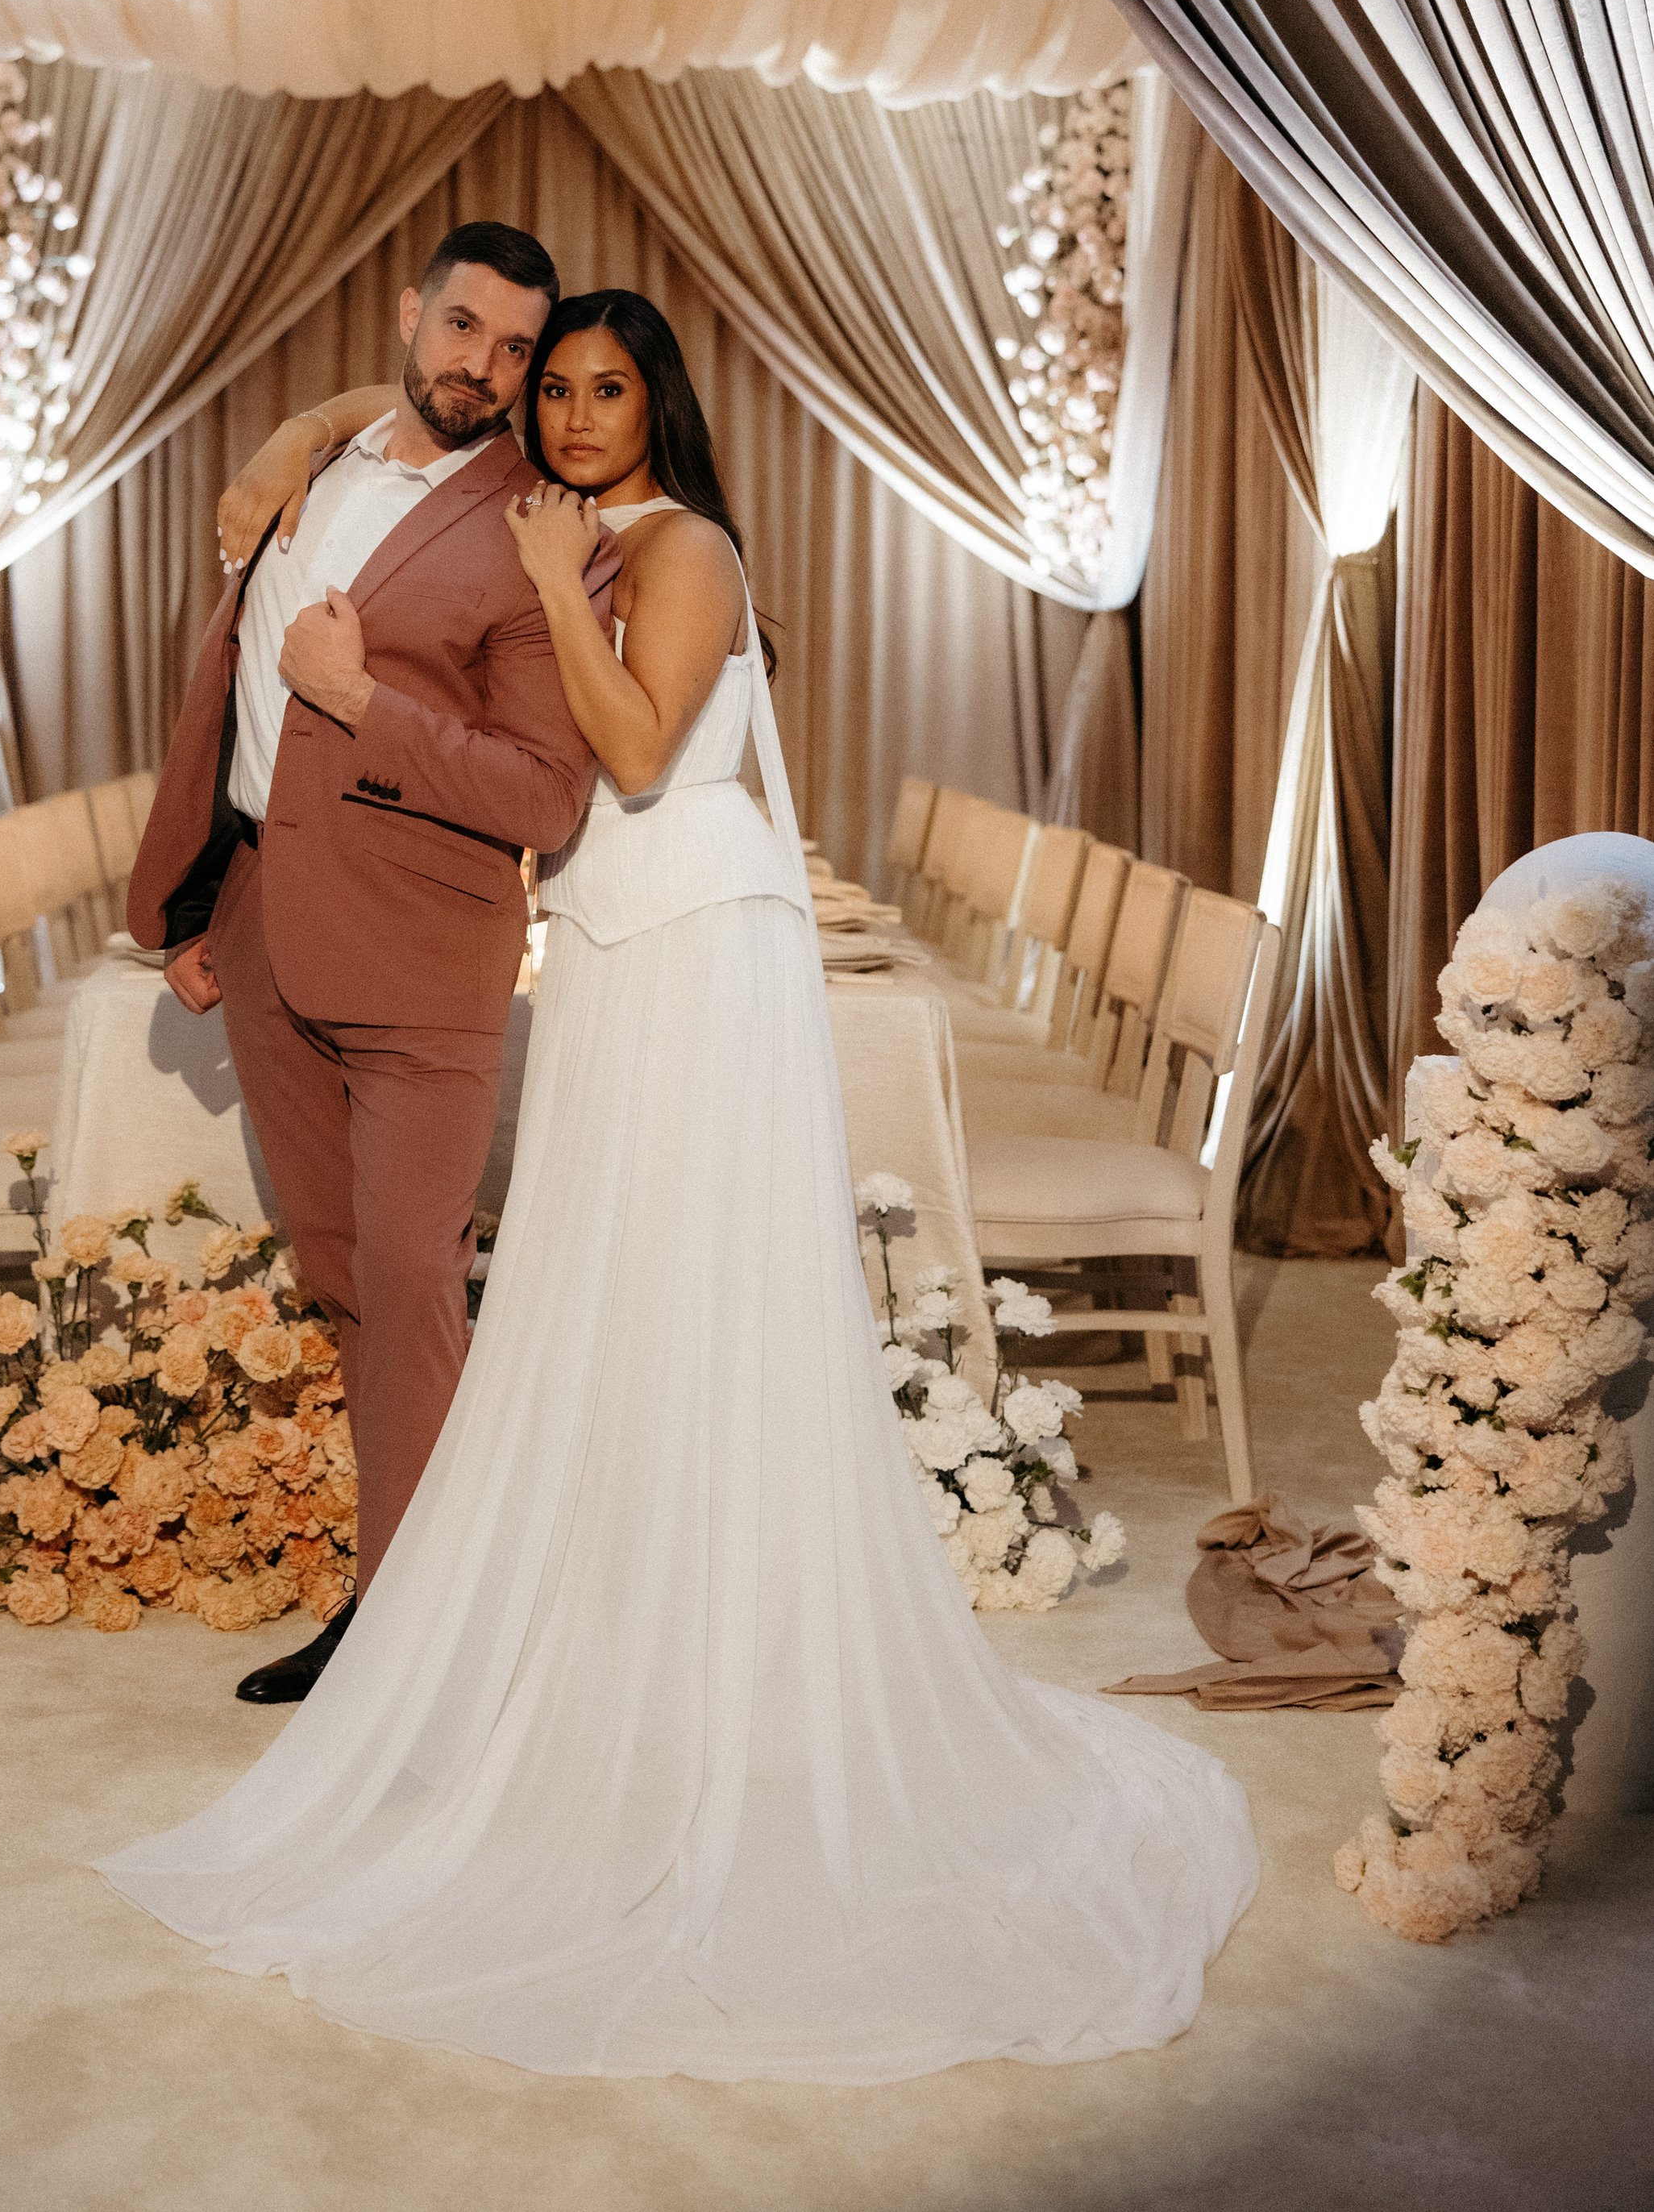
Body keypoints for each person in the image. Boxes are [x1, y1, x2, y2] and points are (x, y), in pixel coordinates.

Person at [100, 287, 1258, 2080]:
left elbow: (633, 757)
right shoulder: (566, 522)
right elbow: (429, 456)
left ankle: (749, 1680)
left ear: (657, 405)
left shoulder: (682, 544)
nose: (566, 416)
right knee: (599, 1294)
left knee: (710, 1297)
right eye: (549, 388)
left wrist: (562, 586)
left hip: (703, 936)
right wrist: (324, 435)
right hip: (615, 943)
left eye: (601, 389)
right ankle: (617, 1647)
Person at [125, 223, 618, 1704]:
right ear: (410, 315)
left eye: (518, 347)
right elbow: (231, 709)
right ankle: (386, 1593)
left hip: (427, 958)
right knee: (343, 1274)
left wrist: (359, 701)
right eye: (463, 326)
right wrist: (203, 905)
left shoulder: (544, 529)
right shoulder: (312, 476)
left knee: (413, 1279)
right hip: (268, 932)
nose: (487, 365)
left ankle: (425, 1633)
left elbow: (545, 795)